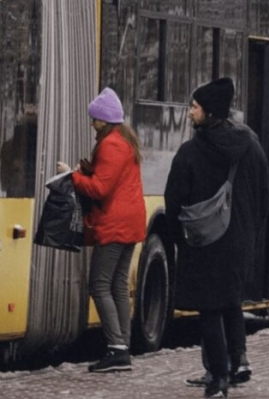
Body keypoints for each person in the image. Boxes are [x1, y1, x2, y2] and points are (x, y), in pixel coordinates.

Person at [164, 77, 269, 398]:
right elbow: (265, 194)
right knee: (231, 301)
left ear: (208, 111)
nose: (189, 113)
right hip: (240, 241)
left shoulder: (191, 151)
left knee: (210, 308)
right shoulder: (250, 145)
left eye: (194, 107)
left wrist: (178, 239)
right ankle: (238, 361)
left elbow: (174, 200)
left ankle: (218, 378)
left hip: (205, 241)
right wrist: (251, 232)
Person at [57, 87, 146, 372]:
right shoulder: (124, 141)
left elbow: (100, 188)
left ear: (105, 120)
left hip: (115, 224)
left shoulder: (111, 145)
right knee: (118, 284)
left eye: (94, 119)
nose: (92, 124)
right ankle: (123, 345)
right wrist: (84, 170)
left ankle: (116, 348)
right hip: (130, 222)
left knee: (99, 284)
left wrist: (71, 176)